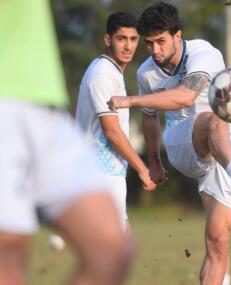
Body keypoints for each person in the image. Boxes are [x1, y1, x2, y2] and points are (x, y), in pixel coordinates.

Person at [107, 2, 231, 284]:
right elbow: (150, 120)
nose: (155, 51)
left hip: (224, 149)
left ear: (177, 35)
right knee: (213, 120)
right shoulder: (146, 73)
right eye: (149, 44)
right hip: (181, 141)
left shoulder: (205, 53)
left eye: (161, 42)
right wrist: (155, 163)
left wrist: (130, 100)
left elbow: (186, 94)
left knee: (218, 241)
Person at [0, 1, 132, 284]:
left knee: (112, 251)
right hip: (4, 100)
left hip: (45, 103)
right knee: (9, 257)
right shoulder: (102, 72)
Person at [75, 12, 157, 234]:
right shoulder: (104, 75)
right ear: (108, 39)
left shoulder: (108, 70)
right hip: (101, 173)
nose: (128, 46)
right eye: (121, 39)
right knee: (113, 253)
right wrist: (142, 169)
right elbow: (111, 131)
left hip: (105, 172)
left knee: (122, 247)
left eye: (133, 39)